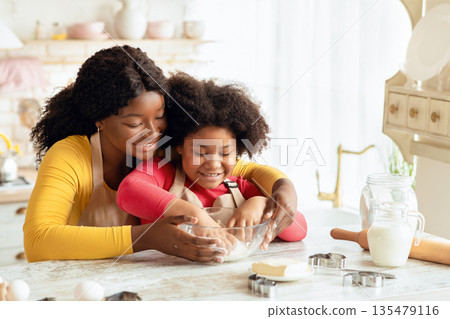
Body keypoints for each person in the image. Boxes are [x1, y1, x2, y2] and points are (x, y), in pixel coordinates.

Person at [24, 45, 299, 263]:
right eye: (134, 124)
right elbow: (38, 242)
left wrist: (282, 187)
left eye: (159, 116)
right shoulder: (70, 156)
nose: (152, 131)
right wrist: (145, 238)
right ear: (100, 120)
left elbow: (240, 169)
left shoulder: (163, 145)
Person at [117, 72, 307, 249]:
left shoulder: (242, 189)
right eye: (201, 152)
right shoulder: (164, 171)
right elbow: (128, 191)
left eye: (224, 154)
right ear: (179, 146)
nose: (214, 163)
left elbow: (300, 229)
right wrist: (195, 215)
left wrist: (260, 203)